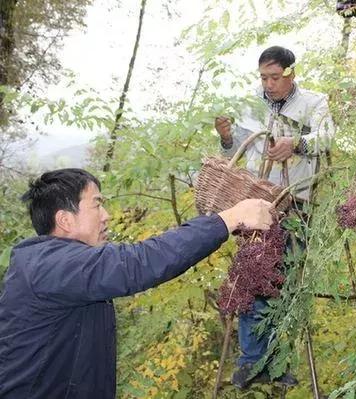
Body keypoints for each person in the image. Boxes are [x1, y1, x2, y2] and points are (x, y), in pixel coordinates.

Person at [0, 168, 273, 399]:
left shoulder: (62, 266)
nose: (105, 215)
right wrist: (228, 219)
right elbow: (138, 263)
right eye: (96, 204)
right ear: (65, 219)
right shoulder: (49, 265)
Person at [214, 46, 335, 389]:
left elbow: (326, 138)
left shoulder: (314, 102)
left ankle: (278, 363)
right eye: (263, 77)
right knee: (252, 278)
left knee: (284, 284)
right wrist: (225, 137)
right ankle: (251, 363)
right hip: (255, 206)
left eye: (274, 77)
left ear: (290, 73)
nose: (268, 84)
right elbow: (235, 147)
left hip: (295, 204)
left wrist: (296, 144)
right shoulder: (250, 104)